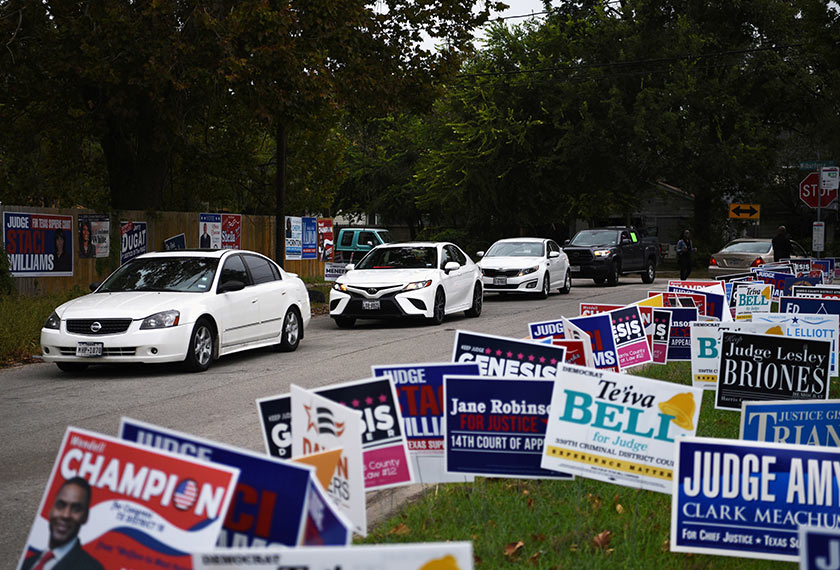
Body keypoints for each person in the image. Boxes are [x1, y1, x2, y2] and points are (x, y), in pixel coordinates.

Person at [21, 477, 104, 570]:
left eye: (76, 509)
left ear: (85, 517)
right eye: (61, 505)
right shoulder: (26, 562)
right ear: (51, 509)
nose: (65, 515)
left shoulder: (91, 568)